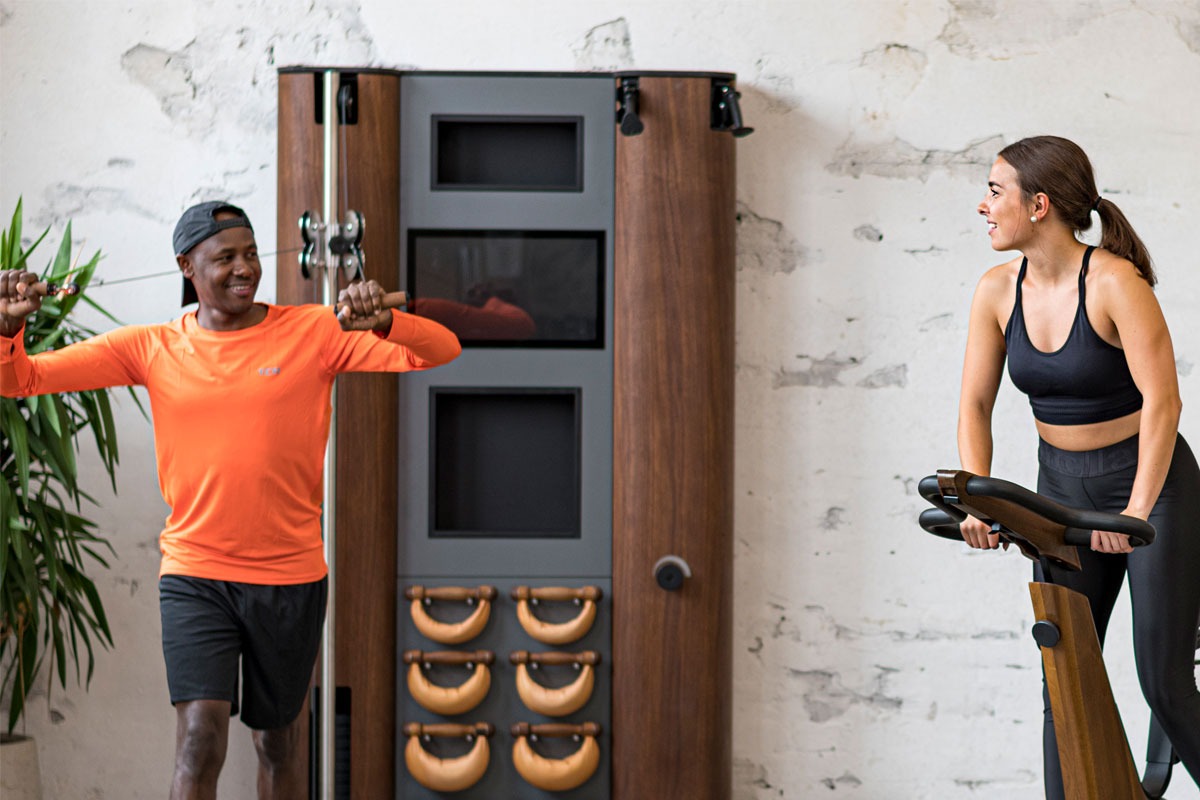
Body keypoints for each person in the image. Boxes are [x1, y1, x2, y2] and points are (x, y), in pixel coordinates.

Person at [0, 201, 461, 799]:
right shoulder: (151, 347)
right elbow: (20, 380)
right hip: (196, 574)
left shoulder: (315, 331)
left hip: (291, 577)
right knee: (199, 741)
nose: (244, 267)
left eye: (249, 254)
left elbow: (440, 351)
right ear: (186, 265)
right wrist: (8, 329)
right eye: (225, 257)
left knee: (278, 743)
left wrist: (384, 324)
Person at [957, 136, 1200, 796]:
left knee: (1164, 680)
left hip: (1152, 487)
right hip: (1060, 494)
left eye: (994, 191)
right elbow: (976, 405)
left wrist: (1136, 512)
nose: (983, 206)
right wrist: (978, 498)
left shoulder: (1116, 282)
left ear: (1038, 205)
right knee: (1062, 680)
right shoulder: (996, 290)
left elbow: (1164, 402)